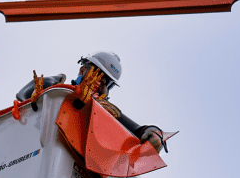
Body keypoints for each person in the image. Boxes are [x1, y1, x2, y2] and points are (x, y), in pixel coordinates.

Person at [16, 51, 165, 152]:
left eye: (108, 83)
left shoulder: (105, 112)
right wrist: (44, 96)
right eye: (98, 75)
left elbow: (137, 130)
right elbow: (23, 95)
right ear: (82, 71)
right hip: (33, 145)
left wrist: (154, 133)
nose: (101, 85)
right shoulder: (55, 86)